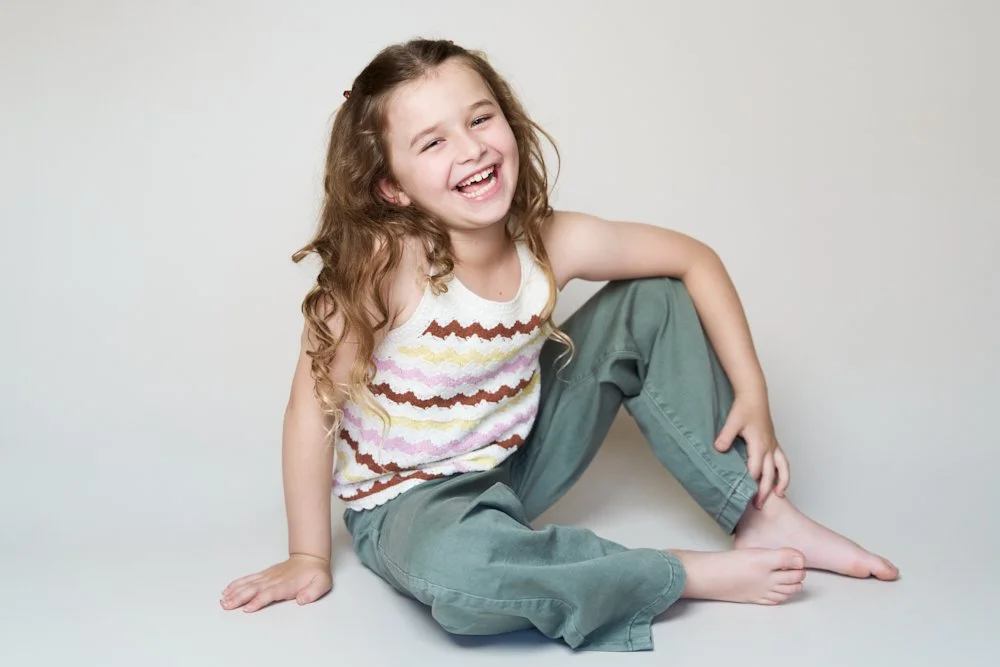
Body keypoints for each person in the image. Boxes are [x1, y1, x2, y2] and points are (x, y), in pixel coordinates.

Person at [220, 38, 898, 652]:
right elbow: (312, 407)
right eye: (432, 142)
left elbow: (695, 258)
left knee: (652, 296)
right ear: (392, 186)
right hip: (409, 500)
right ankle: (671, 572)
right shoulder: (383, 268)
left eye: (480, 119)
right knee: (461, 579)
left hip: (516, 459)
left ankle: (760, 514)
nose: (471, 148)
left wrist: (754, 390)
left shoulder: (551, 241)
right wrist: (309, 553)